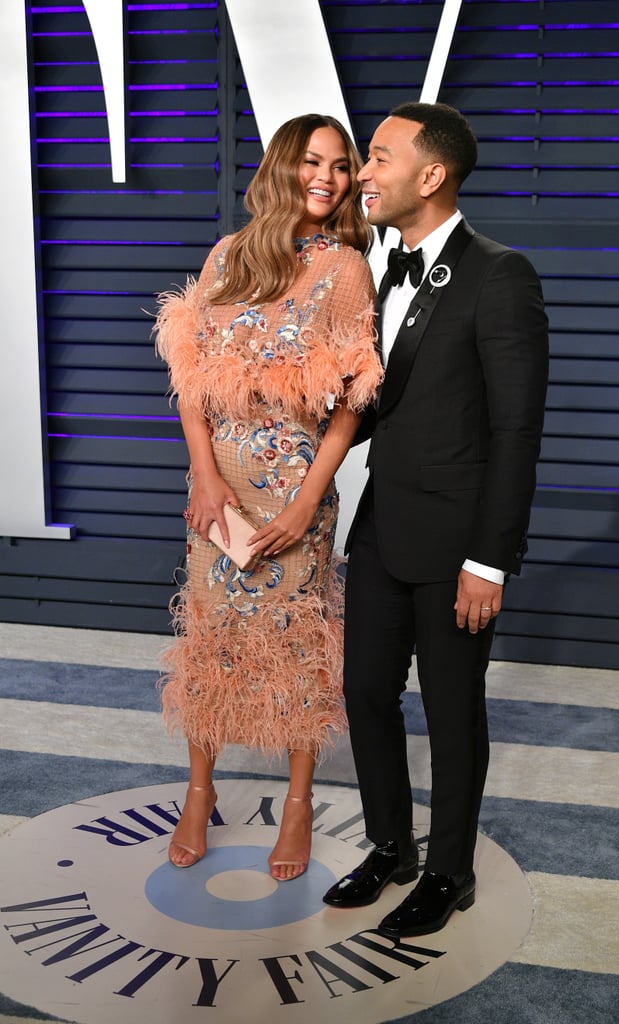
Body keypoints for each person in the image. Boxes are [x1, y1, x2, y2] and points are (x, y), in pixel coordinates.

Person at [323, 102, 549, 935]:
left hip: (458, 542)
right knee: (365, 694)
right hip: (384, 524)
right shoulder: (387, 265)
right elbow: (388, 399)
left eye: (377, 158)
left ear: (431, 175)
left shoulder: (501, 273)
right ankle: (392, 844)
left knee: (453, 712)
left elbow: (515, 428)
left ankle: (450, 870)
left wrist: (490, 560)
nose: (362, 174)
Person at [154, 113, 382, 881]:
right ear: (282, 167)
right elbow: (190, 375)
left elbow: (352, 402)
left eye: (342, 166)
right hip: (216, 491)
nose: (328, 177)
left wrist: (304, 506)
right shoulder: (226, 256)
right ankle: (197, 792)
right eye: (313, 161)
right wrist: (205, 476)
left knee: (298, 647)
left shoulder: (345, 266)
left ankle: (296, 803)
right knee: (211, 642)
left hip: (296, 489)